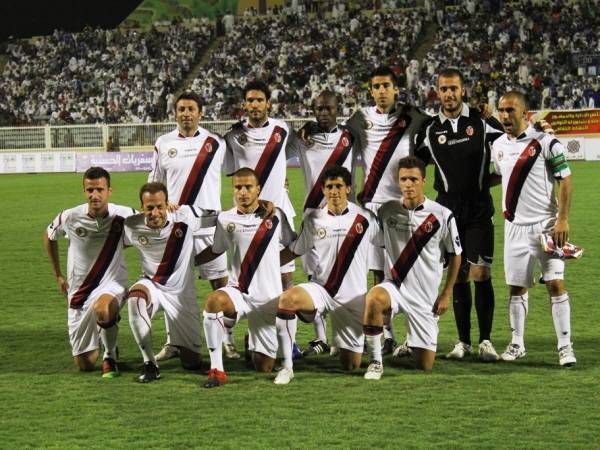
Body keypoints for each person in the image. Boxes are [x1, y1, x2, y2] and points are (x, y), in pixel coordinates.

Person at [415, 68, 504, 361]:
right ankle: (463, 342)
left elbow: (511, 148)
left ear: (462, 90)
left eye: (454, 88)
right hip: (447, 212)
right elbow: (414, 165)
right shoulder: (429, 130)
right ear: (437, 92)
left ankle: (486, 341)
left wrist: (489, 181)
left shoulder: (482, 122)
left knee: (481, 272)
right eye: (444, 89)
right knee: (459, 274)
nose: (449, 94)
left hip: (479, 208)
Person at [345, 66, 431, 354]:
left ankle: (415, 336)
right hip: (373, 209)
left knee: (410, 274)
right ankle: (387, 335)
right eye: (376, 86)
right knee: (378, 275)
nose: (381, 91)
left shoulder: (413, 116)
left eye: (386, 85)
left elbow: (440, 126)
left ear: (396, 89)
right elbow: (336, 139)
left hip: (404, 208)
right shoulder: (360, 119)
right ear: (371, 91)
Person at [148, 90, 238, 362]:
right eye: (181, 109)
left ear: (200, 113)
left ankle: (227, 340)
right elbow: (155, 184)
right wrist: (161, 205)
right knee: (172, 287)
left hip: (210, 227)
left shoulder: (216, 143)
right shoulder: (163, 143)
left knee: (220, 284)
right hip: (176, 228)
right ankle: (174, 341)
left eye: (191, 109)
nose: (186, 114)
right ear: (175, 113)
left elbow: (237, 174)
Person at [491, 91, 576, 367]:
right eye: (501, 110)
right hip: (514, 228)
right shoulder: (498, 145)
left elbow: (565, 180)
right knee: (516, 288)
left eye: (511, 110)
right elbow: (501, 175)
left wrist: (562, 219)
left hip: (547, 226)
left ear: (525, 113)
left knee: (555, 283)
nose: (505, 116)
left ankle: (565, 347)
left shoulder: (546, 142)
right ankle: (517, 344)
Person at [274, 166, 378, 384]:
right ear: (323, 189)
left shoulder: (365, 218)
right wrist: (262, 265)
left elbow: (387, 245)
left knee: (350, 365)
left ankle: (353, 343)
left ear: (348, 188)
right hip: (322, 290)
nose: (334, 191)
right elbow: (295, 250)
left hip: (352, 297)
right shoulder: (313, 219)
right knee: (287, 299)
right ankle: (287, 367)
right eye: (329, 187)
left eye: (339, 186)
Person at [362, 156, 462, 379]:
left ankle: (412, 343)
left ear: (423, 180)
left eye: (413, 179)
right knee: (373, 299)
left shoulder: (442, 215)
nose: (408, 184)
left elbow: (456, 255)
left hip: (424, 298)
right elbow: (375, 240)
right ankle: (376, 362)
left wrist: (446, 294)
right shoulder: (387, 211)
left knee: (424, 365)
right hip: (395, 287)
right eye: (404, 179)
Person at [196, 167, 295, 388]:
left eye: (248, 187)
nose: (243, 192)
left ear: (258, 189)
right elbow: (216, 249)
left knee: (264, 366)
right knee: (213, 301)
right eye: (238, 187)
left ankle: (252, 341)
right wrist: (188, 262)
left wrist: (272, 263)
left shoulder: (276, 215)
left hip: (268, 297)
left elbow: (293, 246)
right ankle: (217, 370)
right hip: (239, 291)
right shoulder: (225, 218)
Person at [43, 167, 135, 378]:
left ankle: (110, 356)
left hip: (112, 283)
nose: (95, 195)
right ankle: (107, 329)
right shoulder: (70, 217)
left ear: (109, 191)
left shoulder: (125, 215)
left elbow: (152, 221)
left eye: (100, 189)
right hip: (80, 292)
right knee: (85, 364)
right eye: (90, 190)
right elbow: (49, 236)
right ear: (84, 191)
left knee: (103, 309)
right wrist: (58, 275)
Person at [124, 182, 217, 383]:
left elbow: (223, 218)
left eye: (160, 206)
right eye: (149, 207)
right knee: (135, 298)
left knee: (192, 363)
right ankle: (150, 364)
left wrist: (259, 207)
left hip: (182, 295)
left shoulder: (186, 216)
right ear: (142, 208)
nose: (155, 212)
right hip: (152, 286)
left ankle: (181, 347)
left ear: (168, 204)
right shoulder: (131, 225)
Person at [295, 90, 357, 357]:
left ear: (337, 109)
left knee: (346, 276)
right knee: (314, 275)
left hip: (344, 217)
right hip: (313, 217)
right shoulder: (302, 139)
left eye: (328, 108)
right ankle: (320, 338)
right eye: (318, 108)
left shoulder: (350, 137)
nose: (323, 113)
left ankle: (348, 335)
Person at [224, 80, 298, 290]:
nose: (255, 104)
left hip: (279, 211)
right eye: (250, 100)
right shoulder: (233, 136)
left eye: (259, 100)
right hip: (247, 216)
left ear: (268, 103)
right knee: (248, 276)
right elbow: (231, 172)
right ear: (244, 104)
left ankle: (285, 311)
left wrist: (282, 177)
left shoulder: (283, 129)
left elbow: (290, 152)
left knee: (286, 279)